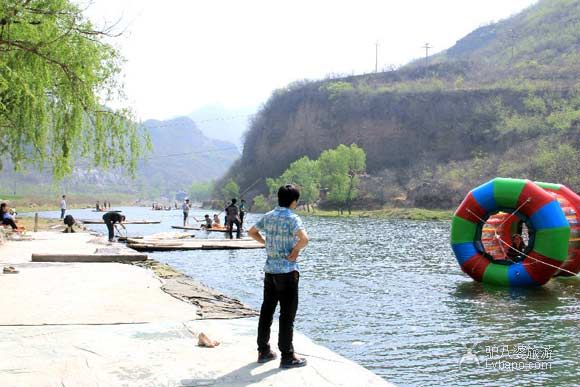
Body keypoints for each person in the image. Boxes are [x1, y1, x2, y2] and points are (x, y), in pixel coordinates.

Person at [248, 184, 309, 369]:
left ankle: (264, 351)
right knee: (287, 315)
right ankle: (287, 355)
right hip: (288, 272)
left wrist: (265, 242)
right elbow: (305, 239)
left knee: (267, 311)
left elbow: (251, 232)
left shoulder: (268, 216)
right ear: (294, 202)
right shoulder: (293, 218)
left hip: (270, 271)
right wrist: (295, 251)